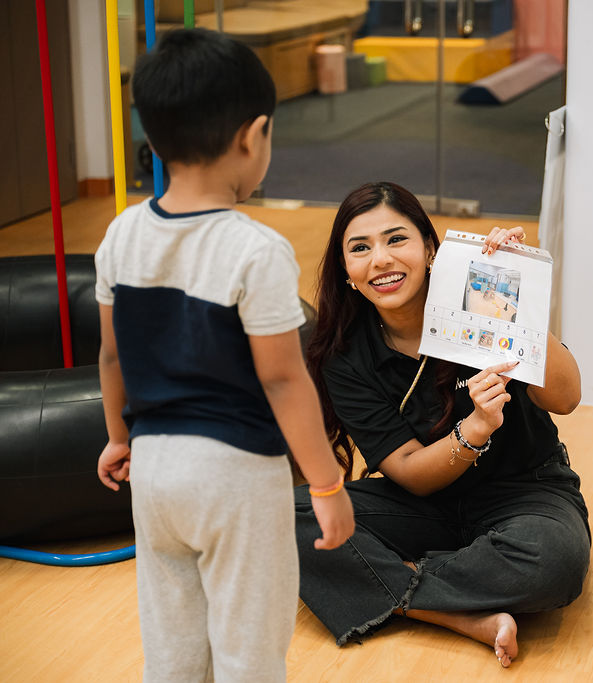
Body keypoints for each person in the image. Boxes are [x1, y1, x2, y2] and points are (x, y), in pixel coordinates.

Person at [94, 28, 354, 682]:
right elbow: (283, 376)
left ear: (154, 137)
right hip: (236, 478)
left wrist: (118, 435)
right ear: (253, 135)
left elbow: (110, 357)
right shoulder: (254, 248)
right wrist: (326, 484)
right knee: (249, 651)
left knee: (174, 649)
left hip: (154, 471)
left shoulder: (121, 234)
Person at [296, 181, 591, 668]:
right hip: (419, 505)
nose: (381, 260)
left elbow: (567, 398)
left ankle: (395, 584)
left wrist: (517, 287)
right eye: (360, 248)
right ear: (347, 272)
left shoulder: (480, 295)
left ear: (431, 249)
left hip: (524, 490)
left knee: (553, 559)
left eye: (396, 239)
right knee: (286, 513)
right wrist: (475, 427)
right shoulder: (344, 356)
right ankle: (457, 614)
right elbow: (409, 471)